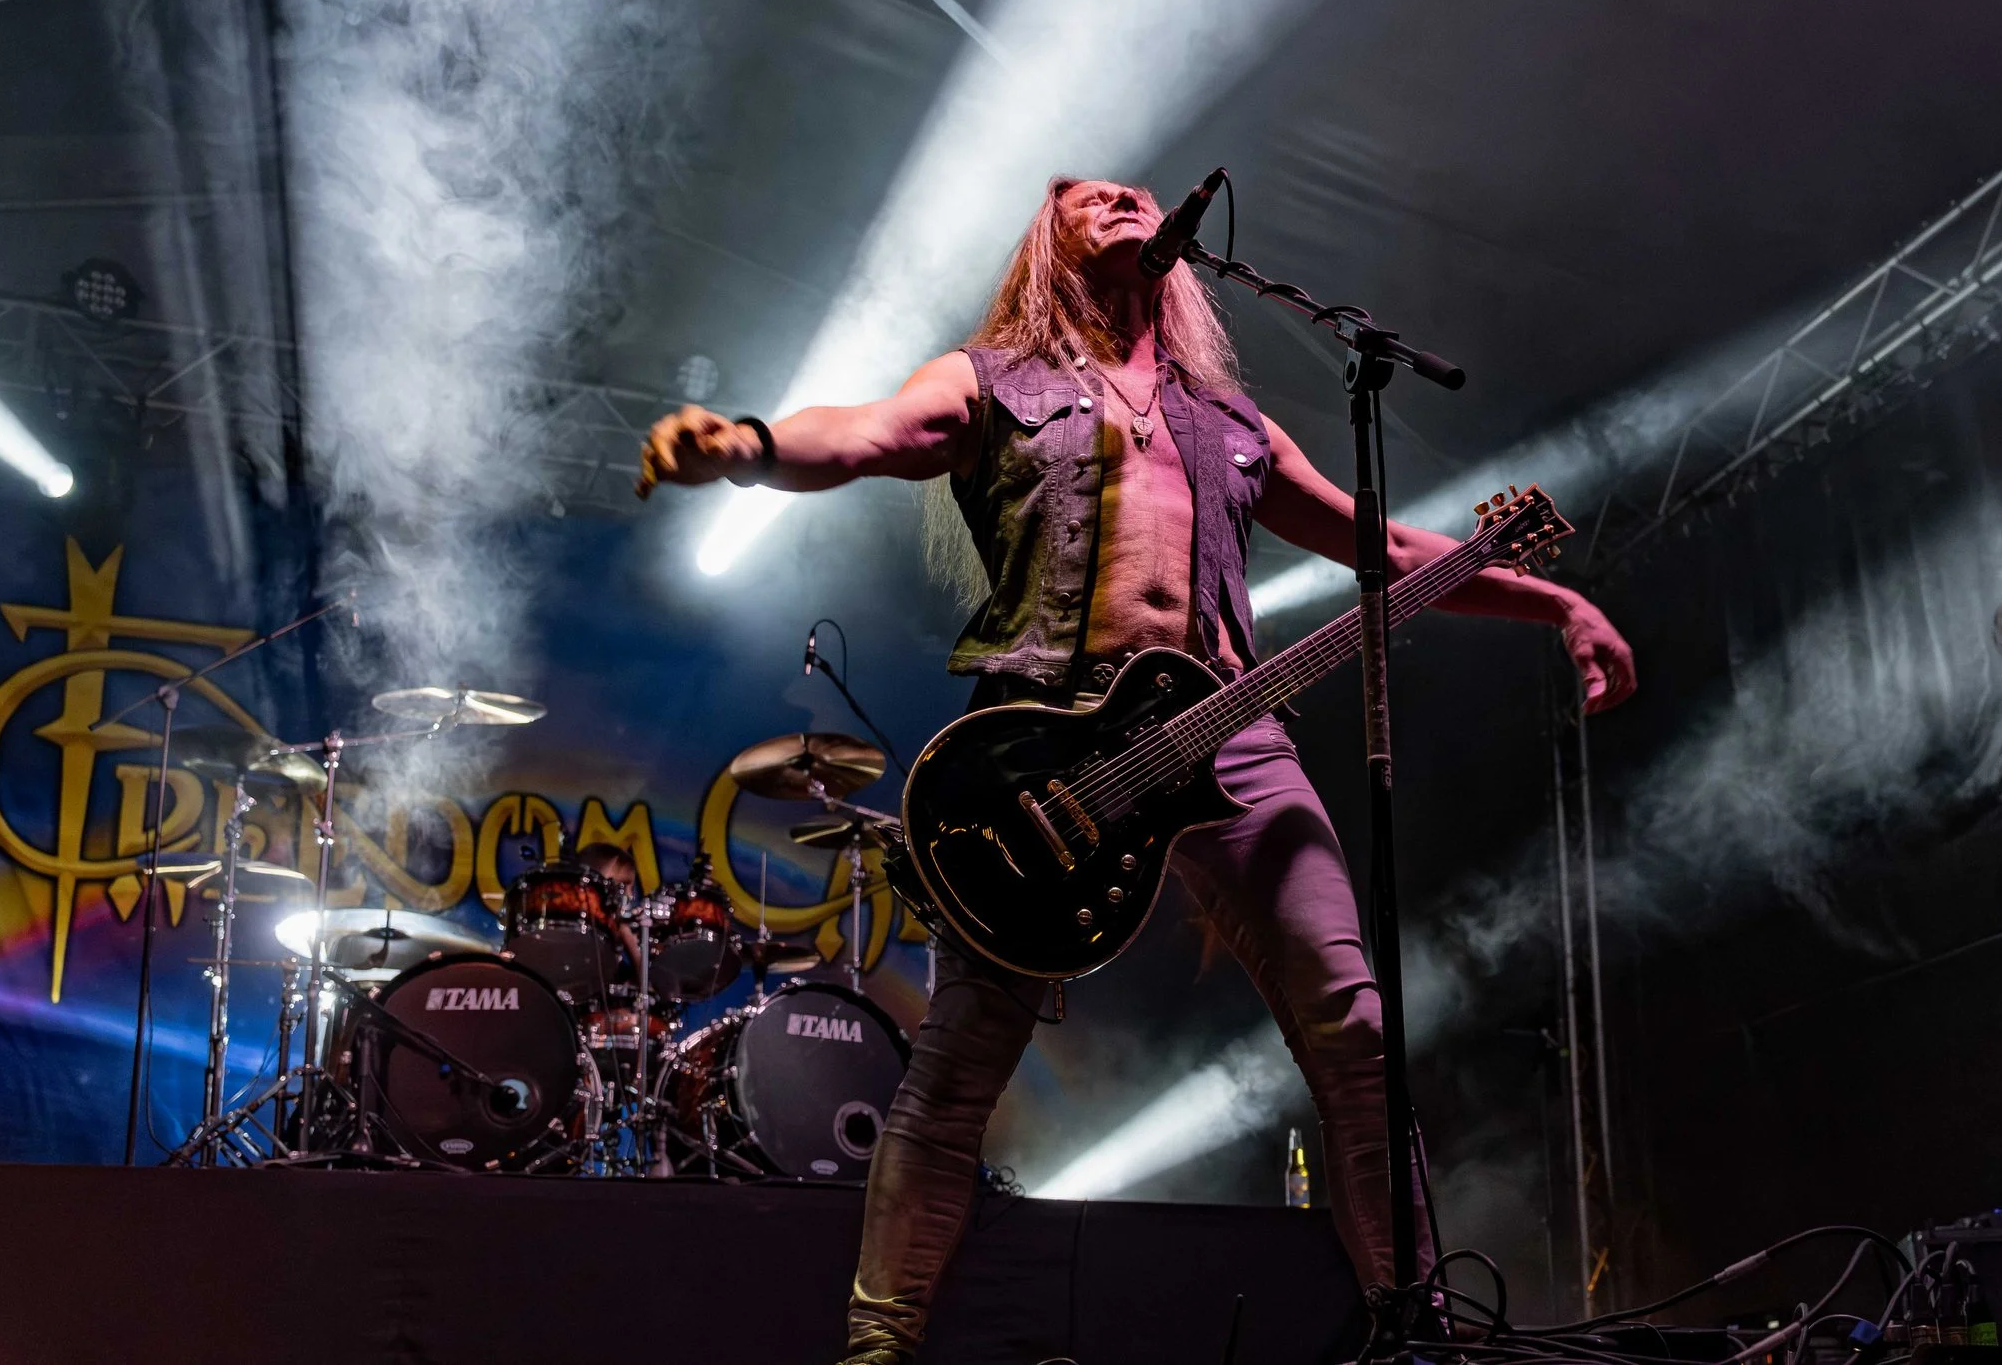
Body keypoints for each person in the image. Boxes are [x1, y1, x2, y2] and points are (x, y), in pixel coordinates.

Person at [638, 176, 1635, 1364]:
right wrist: (747, 444)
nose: (1117, 197)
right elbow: (865, 433)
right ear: (1046, 244)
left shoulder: (1229, 421)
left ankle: (1411, 1334)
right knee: (957, 1067)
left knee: (1355, 1033)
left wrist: (1552, 599)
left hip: (1228, 731)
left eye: (1133, 191)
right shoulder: (990, 377)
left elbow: (1386, 548)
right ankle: (876, 1347)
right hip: (1039, 736)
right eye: (1086, 197)